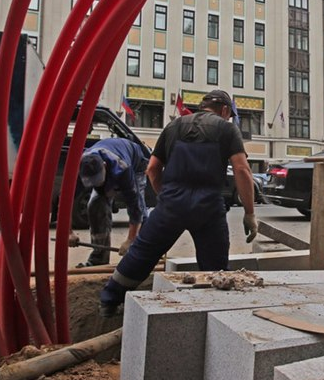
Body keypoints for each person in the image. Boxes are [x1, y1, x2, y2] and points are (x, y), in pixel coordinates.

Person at [98, 89, 258, 317]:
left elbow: (152, 168)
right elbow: (242, 170)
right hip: (208, 208)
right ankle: (218, 314)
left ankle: (109, 302)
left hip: (171, 205)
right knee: (215, 266)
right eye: (229, 114)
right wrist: (250, 213)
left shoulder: (174, 126)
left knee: (141, 254)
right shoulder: (226, 128)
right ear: (224, 110)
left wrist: (167, 197)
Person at [68, 138, 149, 266]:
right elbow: (66, 202)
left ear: (104, 166)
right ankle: (99, 258)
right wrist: (68, 233)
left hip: (135, 164)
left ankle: (142, 256)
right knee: (94, 205)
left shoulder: (123, 168)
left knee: (142, 215)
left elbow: (135, 206)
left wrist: (130, 240)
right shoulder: (80, 167)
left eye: (98, 180)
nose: (96, 184)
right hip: (112, 163)